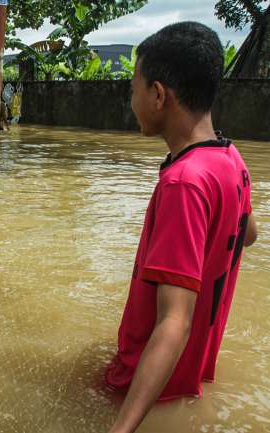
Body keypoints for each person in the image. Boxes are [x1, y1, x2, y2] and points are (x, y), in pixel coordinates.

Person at [105, 22, 258, 433]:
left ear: (158, 95)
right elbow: (249, 233)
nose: (131, 99)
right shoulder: (230, 157)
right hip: (191, 376)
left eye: (134, 88)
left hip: (147, 384)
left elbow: (175, 321)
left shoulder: (183, 183)